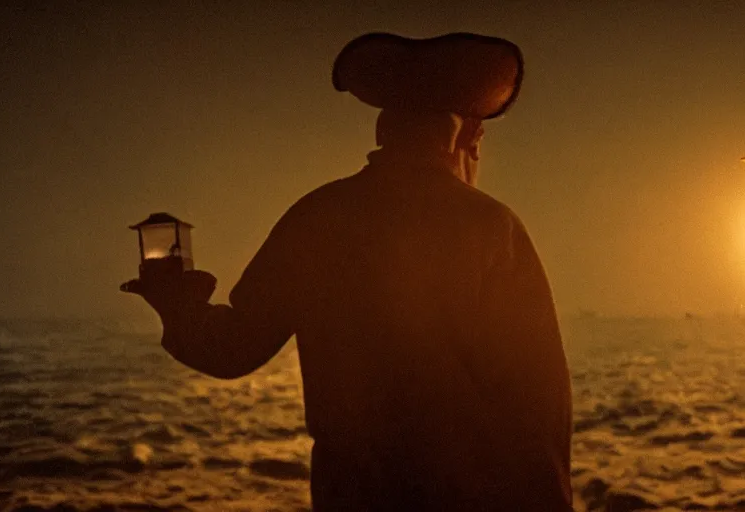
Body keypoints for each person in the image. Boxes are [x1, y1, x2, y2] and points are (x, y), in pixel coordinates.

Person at [122, 32, 573, 511]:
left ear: (384, 134)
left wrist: (174, 302)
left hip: (353, 493)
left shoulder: (319, 216)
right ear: (465, 140)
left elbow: (233, 348)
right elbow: (539, 403)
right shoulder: (491, 226)